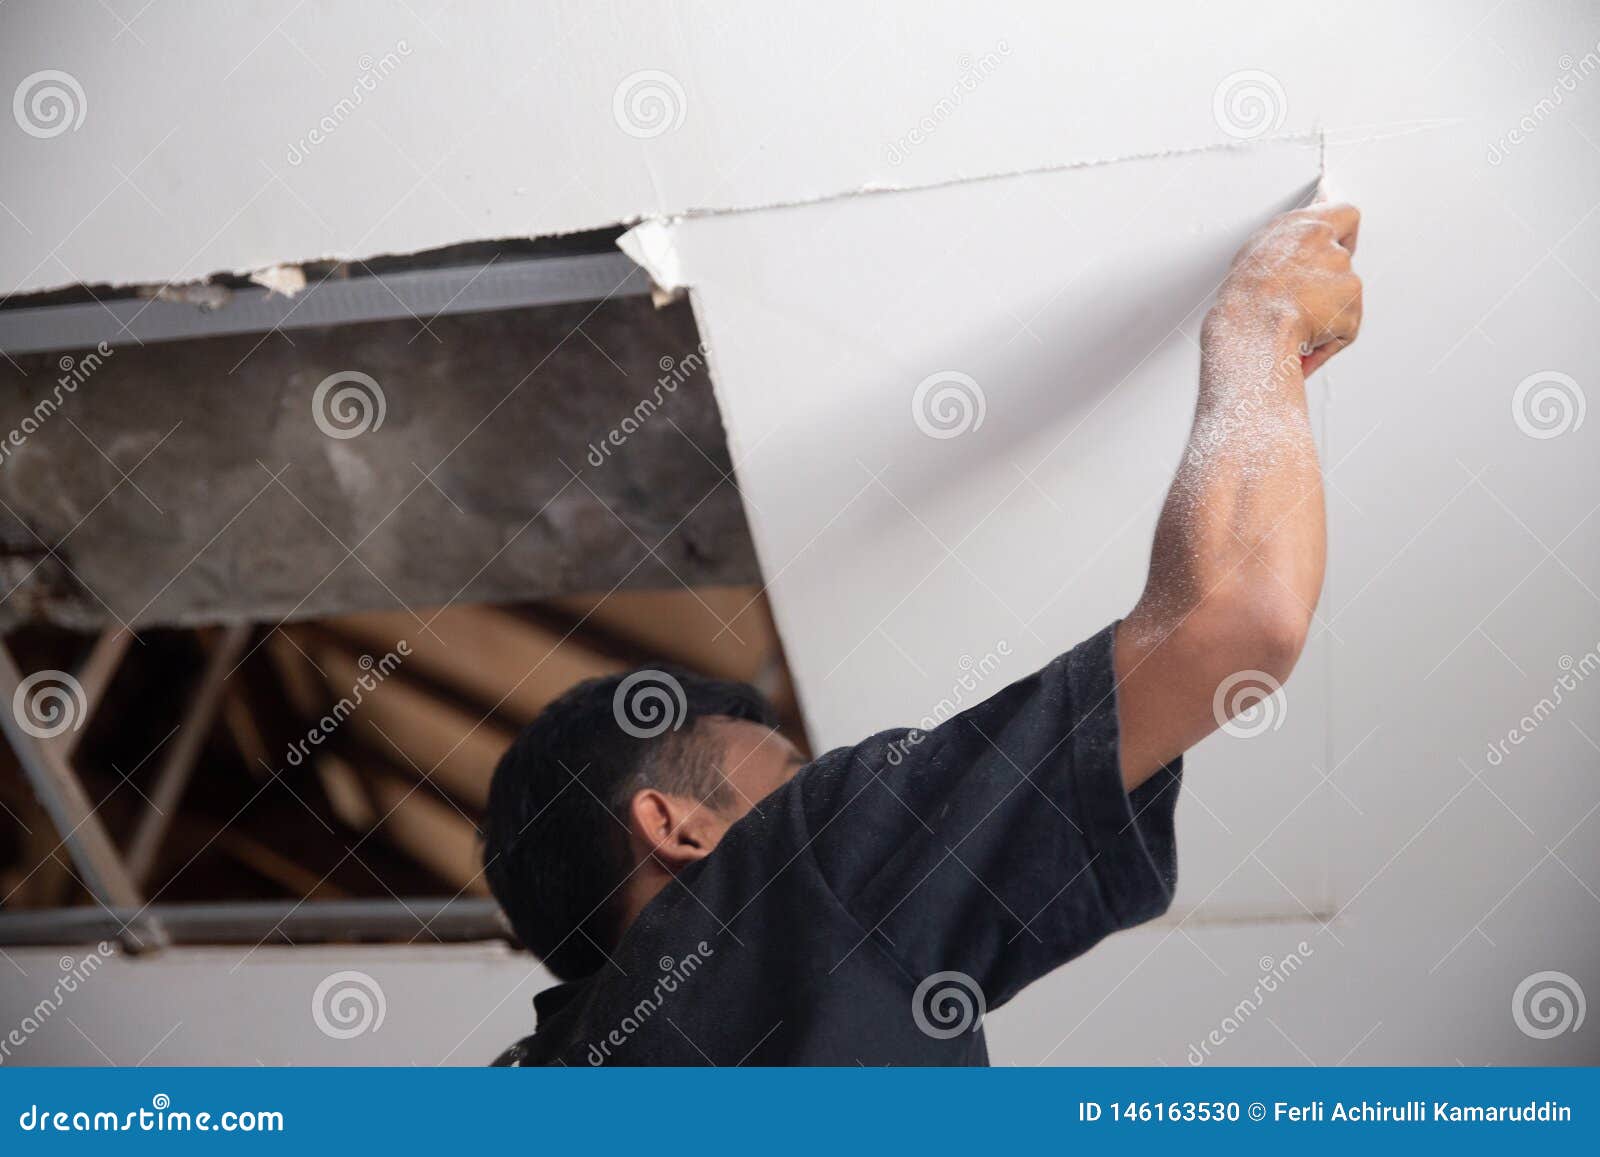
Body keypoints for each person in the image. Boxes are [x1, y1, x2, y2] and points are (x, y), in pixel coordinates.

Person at [484, 199, 1363, 1065]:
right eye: (794, 777)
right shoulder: (799, 883)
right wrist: (1256, 326)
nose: (816, 788)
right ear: (678, 828)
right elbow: (1235, 621)